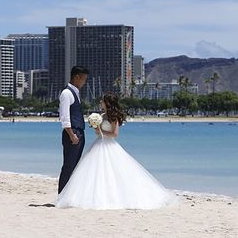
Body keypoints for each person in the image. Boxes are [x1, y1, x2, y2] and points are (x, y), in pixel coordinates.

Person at [56, 93, 178, 210]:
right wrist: (97, 128)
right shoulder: (102, 116)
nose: (100, 102)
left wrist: (101, 132)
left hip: (109, 145)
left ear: (107, 103)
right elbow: (99, 132)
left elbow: (114, 134)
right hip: (99, 144)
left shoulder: (113, 117)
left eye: (102, 101)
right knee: (95, 171)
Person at [57, 65, 89, 193]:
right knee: (68, 166)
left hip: (79, 132)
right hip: (72, 133)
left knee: (75, 166)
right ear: (77, 77)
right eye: (84, 79)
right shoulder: (67, 93)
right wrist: (71, 135)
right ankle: (61, 194)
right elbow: (64, 116)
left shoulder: (75, 93)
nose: (84, 82)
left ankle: (69, 194)